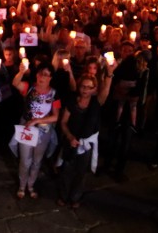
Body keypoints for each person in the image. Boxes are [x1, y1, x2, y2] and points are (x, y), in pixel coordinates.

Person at [58, 67, 114, 209]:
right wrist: (70, 136)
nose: (85, 90)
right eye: (83, 86)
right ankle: (64, 196)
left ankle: (75, 197)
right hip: (71, 141)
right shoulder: (72, 102)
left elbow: (106, 89)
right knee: (66, 169)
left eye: (89, 87)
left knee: (81, 173)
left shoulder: (96, 102)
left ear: (94, 89)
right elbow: (63, 122)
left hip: (86, 144)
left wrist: (109, 73)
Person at [12, 63, 60, 199]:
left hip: (43, 130)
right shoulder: (29, 87)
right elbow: (16, 83)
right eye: (40, 74)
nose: (42, 77)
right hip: (27, 128)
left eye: (46, 75)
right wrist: (21, 72)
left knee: (37, 160)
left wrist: (37, 121)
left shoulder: (54, 94)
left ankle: (31, 185)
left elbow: (55, 116)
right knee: (25, 160)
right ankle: (22, 186)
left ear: (50, 78)